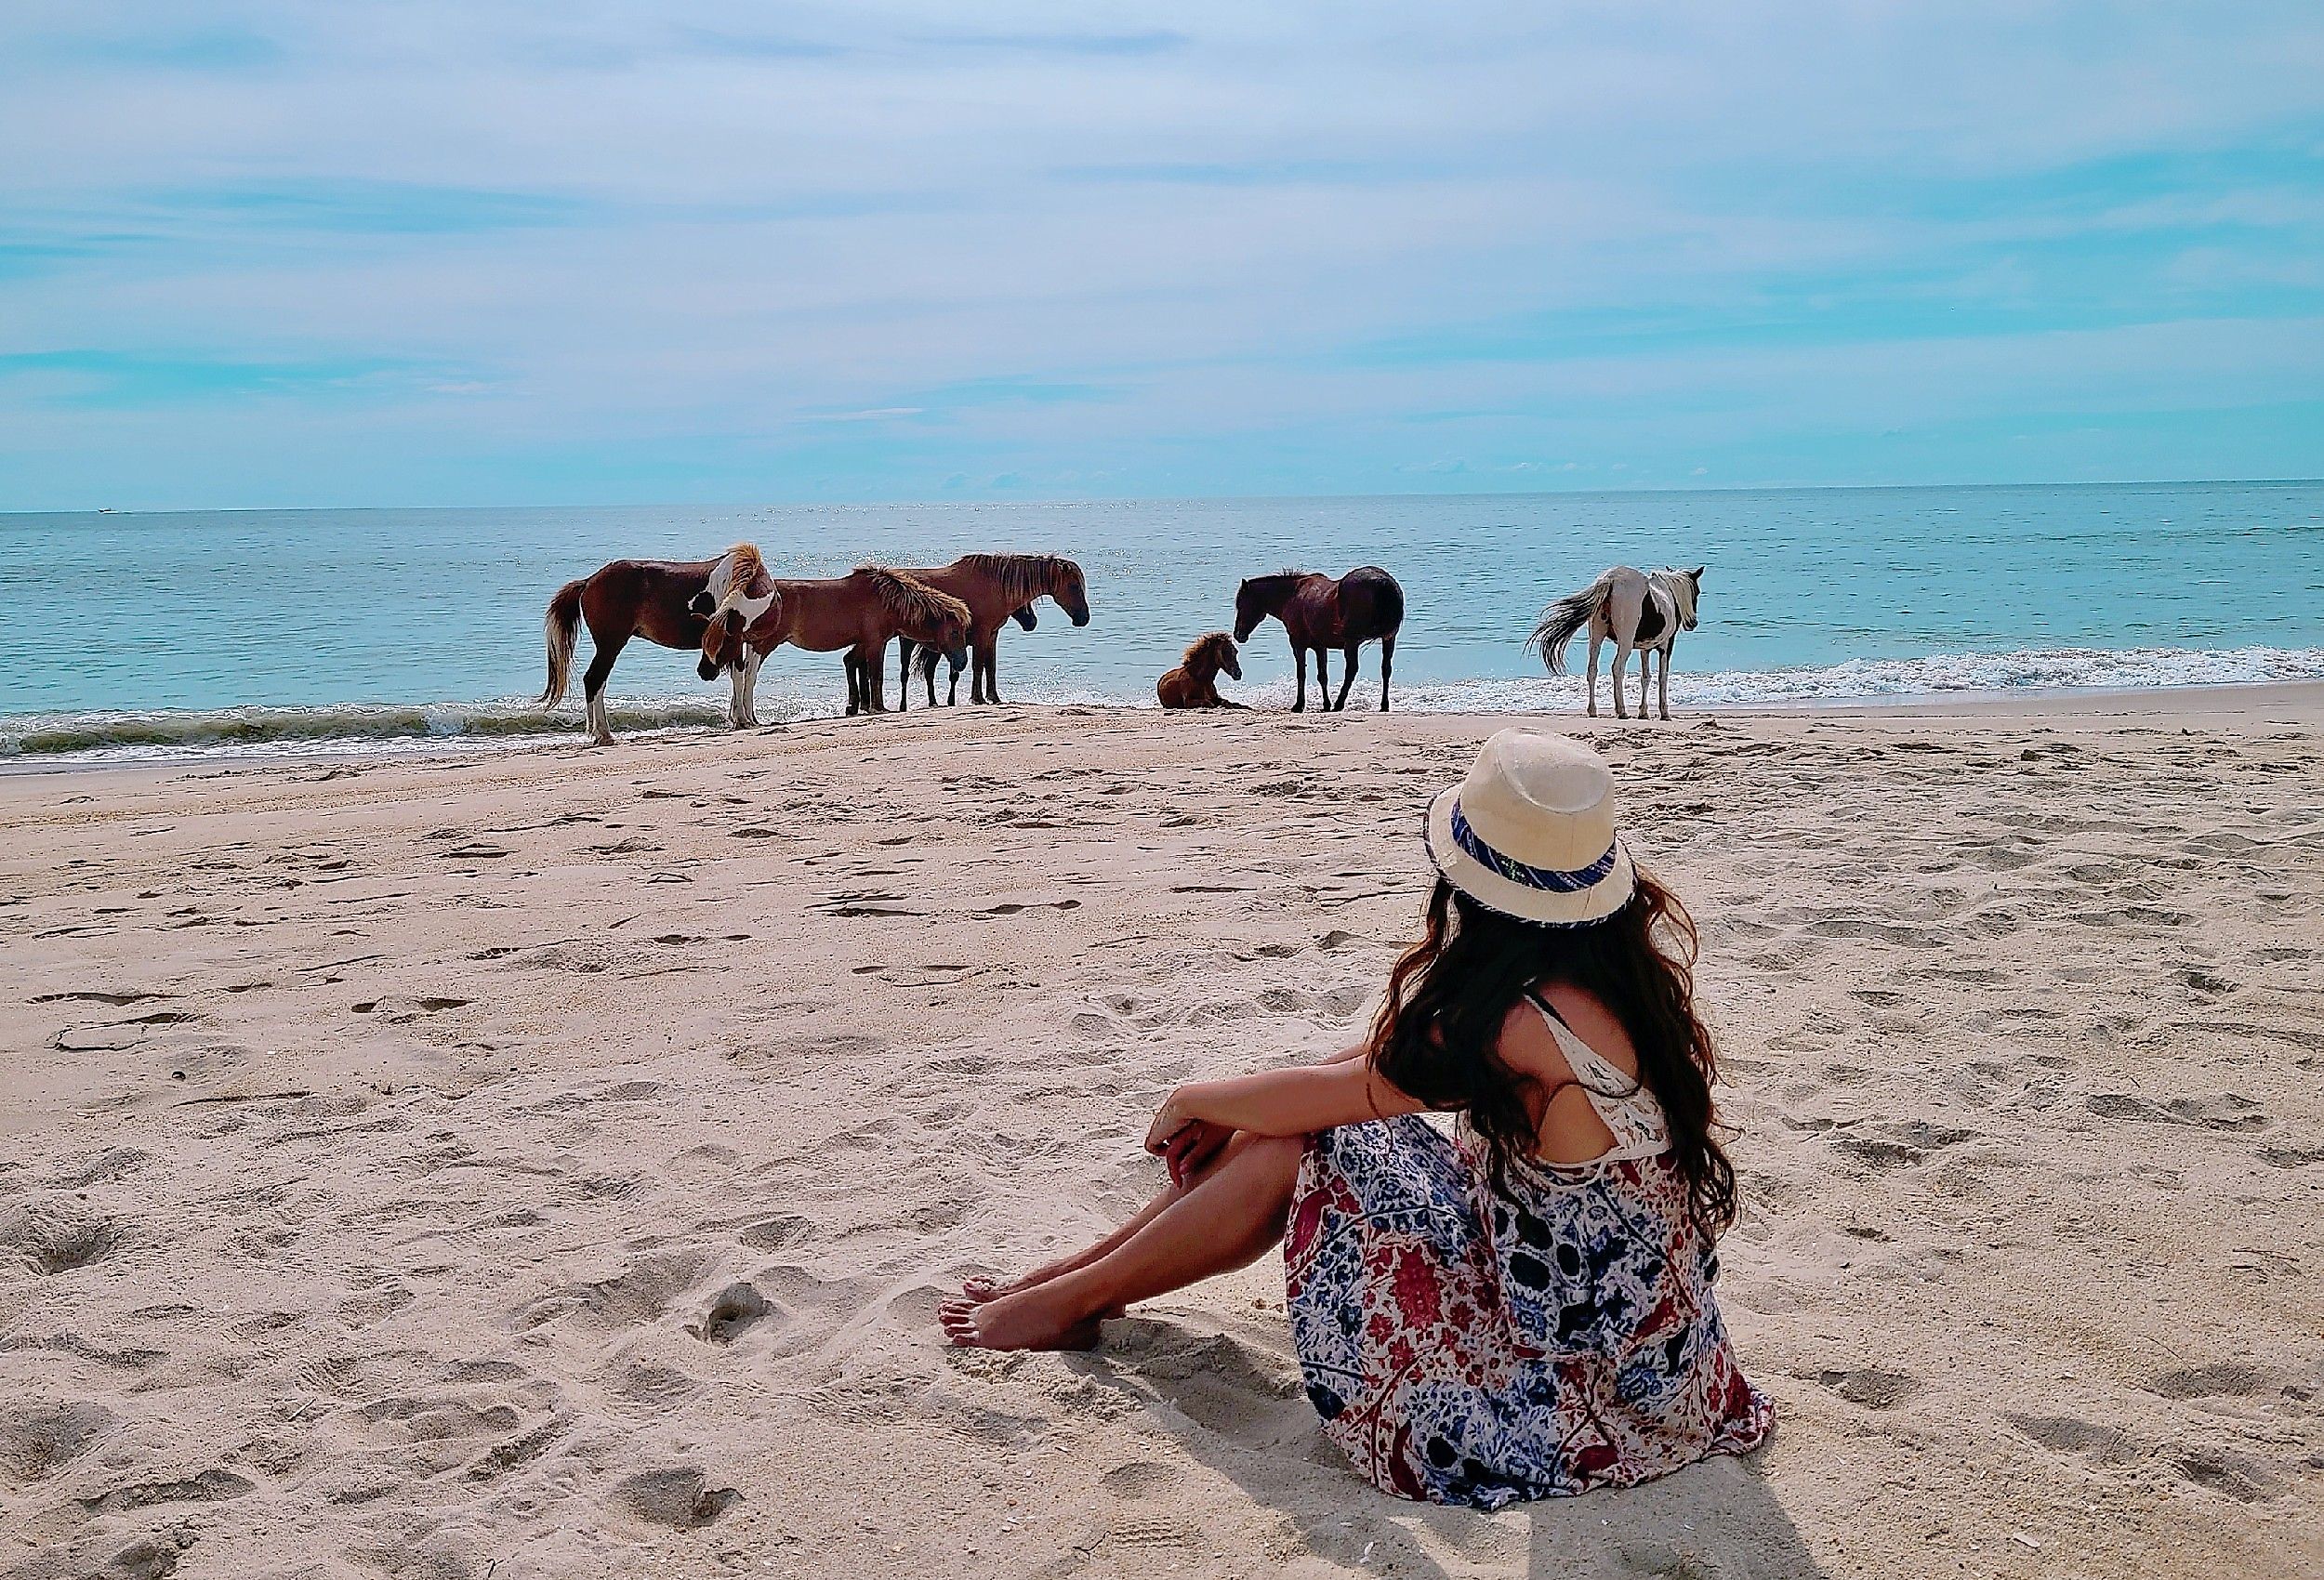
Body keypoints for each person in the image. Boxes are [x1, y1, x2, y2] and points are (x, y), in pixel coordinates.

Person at [939, 727, 1773, 1507]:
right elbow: (1367, 1066)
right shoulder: (1610, 978)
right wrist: (1234, 1106)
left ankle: (1075, 1296)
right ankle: (1079, 1281)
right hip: (1660, 1357)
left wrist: (1197, 1100)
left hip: (1566, 1380)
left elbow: (1345, 1095)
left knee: (1299, 1145)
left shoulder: (1521, 1027)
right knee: (1302, 1121)